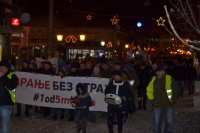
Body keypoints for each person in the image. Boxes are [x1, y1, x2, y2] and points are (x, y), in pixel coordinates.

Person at [147, 66, 178, 133]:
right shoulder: (153, 79)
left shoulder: (169, 78)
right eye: (157, 71)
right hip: (157, 106)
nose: (158, 73)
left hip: (168, 104)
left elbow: (175, 89)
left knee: (169, 123)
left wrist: (173, 99)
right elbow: (149, 90)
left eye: (160, 71)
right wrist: (152, 101)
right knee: (157, 124)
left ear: (163, 72)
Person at [0, 60, 18, 133]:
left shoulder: (12, 76)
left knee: (4, 126)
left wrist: (3, 77)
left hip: (6, 105)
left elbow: (11, 86)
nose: (1, 69)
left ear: (8, 68)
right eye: (0, 67)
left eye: (3, 67)